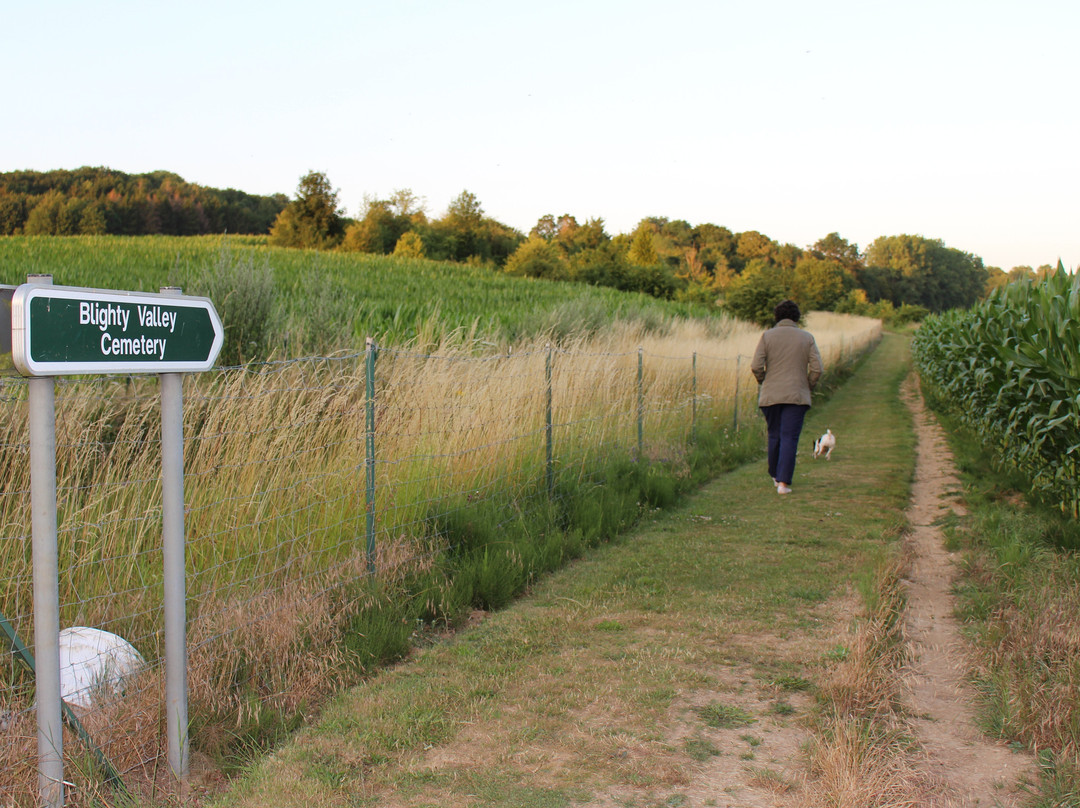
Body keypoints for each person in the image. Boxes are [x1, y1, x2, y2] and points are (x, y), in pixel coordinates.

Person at [750, 300, 823, 495]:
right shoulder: (807, 338)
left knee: (774, 435)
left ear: (777, 316)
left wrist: (763, 381)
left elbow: (756, 365)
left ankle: (775, 475)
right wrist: (808, 385)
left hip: (771, 395)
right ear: (797, 317)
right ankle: (783, 483)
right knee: (789, 437)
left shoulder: (767, 336)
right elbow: (817, 369)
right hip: (797, 395)